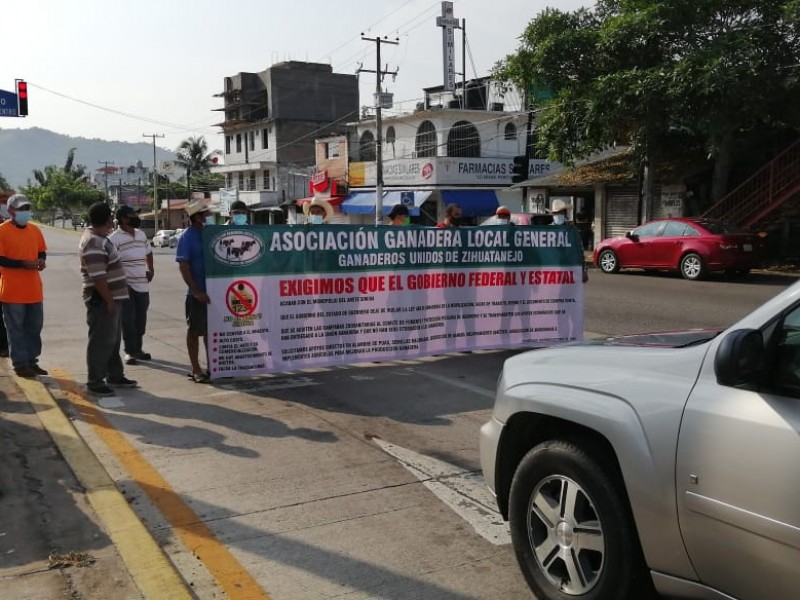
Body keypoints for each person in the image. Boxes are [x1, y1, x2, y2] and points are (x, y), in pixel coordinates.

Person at [79, 202, 138, 396]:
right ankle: (95, 381)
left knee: (111, 339)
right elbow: (98, 276)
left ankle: (114, 375)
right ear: (106, 219)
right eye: (111, 217)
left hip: (110, 297)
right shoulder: (94, 241)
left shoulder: (100, 238)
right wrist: (109, 300)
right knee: (101, 341)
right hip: (102, 298)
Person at [0, 194, 47, 378]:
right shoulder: (2, 231)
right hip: (12, 291)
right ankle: (20, 363)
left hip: (34, 289)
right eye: (21, 209)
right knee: (16, 329)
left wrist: (41, 260)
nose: (25, 212)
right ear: (11, 211)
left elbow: (41, 251)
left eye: (26, 208)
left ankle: (32, 361)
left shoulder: (35, 230)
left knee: (34, 328)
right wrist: (22, 264)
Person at [109, 205, 154, 365]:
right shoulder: (114, 238)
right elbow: (110, 261)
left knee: (140, 319)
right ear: (123, 219)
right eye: (133, 215)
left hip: (142, 283)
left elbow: (148, 252)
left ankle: (138, 349)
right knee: (128, 320)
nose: (136, 217)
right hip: (125, 284)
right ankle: (130, 351)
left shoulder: (141, 235)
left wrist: (151, 269)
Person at [176, 198, 215, 383]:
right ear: (198, 217)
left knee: (211, 332)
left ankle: (212, 365)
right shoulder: (187, 237)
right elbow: (184, 266)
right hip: (197, 294)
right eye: (205, 214)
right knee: (194, 331)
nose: (208, 217)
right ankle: (195, 368)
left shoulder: (210, 234)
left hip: (216, 292)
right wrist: (196, 290)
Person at [548, 199, 589, 283]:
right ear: (552, 214)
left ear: (565, 213)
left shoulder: (572, 231)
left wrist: (584, 270)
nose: (558, 215)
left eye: (560, 212)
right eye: (556, 213)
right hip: (551, 273)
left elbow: (580, 251)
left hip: (569, 272)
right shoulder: (547, 231)